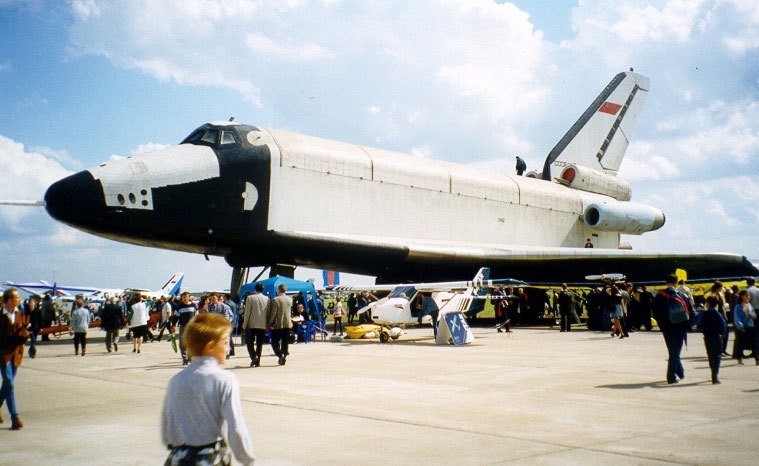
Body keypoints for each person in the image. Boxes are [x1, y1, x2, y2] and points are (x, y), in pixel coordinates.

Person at [161, 312, 256, 465]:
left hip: (178, 458)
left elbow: (168, 426)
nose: (228, 348)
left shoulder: (176, 380)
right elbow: (236, 427)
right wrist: (247, 459)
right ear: (210, 346)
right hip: (210, 457)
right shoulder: (224, 379)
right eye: (225, 343)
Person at [652, 274, 692, 384]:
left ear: (666, 283)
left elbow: (655, 313)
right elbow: (689, 310)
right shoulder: (682, 296)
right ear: (677, 282)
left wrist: (662, 325)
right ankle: (671, 376)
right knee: (675, 352)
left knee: (672, 351)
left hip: (667, 328)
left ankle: (680, 372)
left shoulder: (659, 296)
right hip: (680, 327)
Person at [1, 288, 28, 429]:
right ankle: (15, 417)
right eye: (17, 297)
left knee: (8, 386)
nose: (19, 299)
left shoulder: (20, 313)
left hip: (16, 354)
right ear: (10, 300)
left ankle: (13, 417)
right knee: (9, 384)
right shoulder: (1, 315)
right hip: (4, 355)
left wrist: (24, 334)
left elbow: (21, 329)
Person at [701, 295, 727, 384]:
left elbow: (701, 324)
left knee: (711, 356)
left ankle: (713, 373)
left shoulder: (705, 313)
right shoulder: (718, 313)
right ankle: (715, 374)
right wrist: (723, 334)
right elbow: (723, 325)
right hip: (717, 337)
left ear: (708, 303)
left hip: (708, 337)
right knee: (717, 356)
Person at [241, 283, 269, 368]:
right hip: (262, 324)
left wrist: (244, 324)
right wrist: (267, 324)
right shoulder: (267, 299)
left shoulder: (250, 298)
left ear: (255, 289)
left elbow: (247, 312)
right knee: (259, 344)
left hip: (251, 324)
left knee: (250, 343)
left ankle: (254, 357)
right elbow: (268, 313)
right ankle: (258, 361)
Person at [267, 283, 293, 366]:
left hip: (278, 324)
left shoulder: (276, 300)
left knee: (274, 342)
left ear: (278, 290)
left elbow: (274, 313)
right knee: (285, 341)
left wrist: (270, 322)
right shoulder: (290, 299)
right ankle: (284, 355)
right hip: (287, 323)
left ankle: (279, 355)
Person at [206, 292, 235, 358]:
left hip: (222, 325)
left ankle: (227, 353)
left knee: (225, 339)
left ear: (217, 298)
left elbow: (226, 316)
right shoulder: (210, 306)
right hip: (213, 326)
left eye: (214, 298)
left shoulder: (223, 306)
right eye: (211, 298)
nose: (213, 300)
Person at [732, 290, 757, 365]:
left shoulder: (749, 304)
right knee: (741, 344)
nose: (748, 297)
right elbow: (737, 317)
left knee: (754, 343)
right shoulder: (738, 306)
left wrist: (752, 315)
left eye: (748, 296)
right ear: (742, 296)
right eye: (746, 296)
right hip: (742, 327)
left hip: (750, 326)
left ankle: (757, 359)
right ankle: (739, 358)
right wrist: (740, 326)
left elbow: (754, 314)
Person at [175, 292, 198, 365]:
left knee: (191, 343)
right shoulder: (180, 306)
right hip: (183, 326)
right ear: (182, 298)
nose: (185, 298)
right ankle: (185, 359)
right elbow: (176, 316)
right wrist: (172, 325)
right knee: (182, 343)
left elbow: (197, 316)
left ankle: (191, 358)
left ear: (189, 297)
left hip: (191, 327)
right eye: (184, 297)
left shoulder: (193, 305)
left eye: (186, 297)